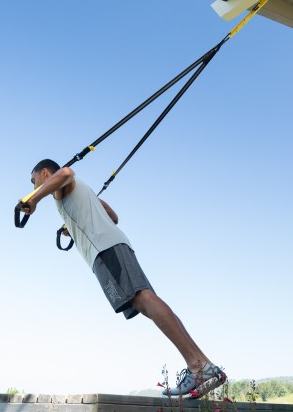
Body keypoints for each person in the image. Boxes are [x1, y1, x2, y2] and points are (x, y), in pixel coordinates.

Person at [19, 158, 226, 399]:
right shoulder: (75, 193)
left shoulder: (60, 188)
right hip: (113, 245)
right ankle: (202, 365)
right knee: (145, 300)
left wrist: (33, 199)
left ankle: (198, 365)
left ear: (45, 173)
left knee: (143, 299)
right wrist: (74, 225)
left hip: (105, 250)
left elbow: (65, 172)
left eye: (34, 182)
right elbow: (113, 216)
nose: (34, 188)